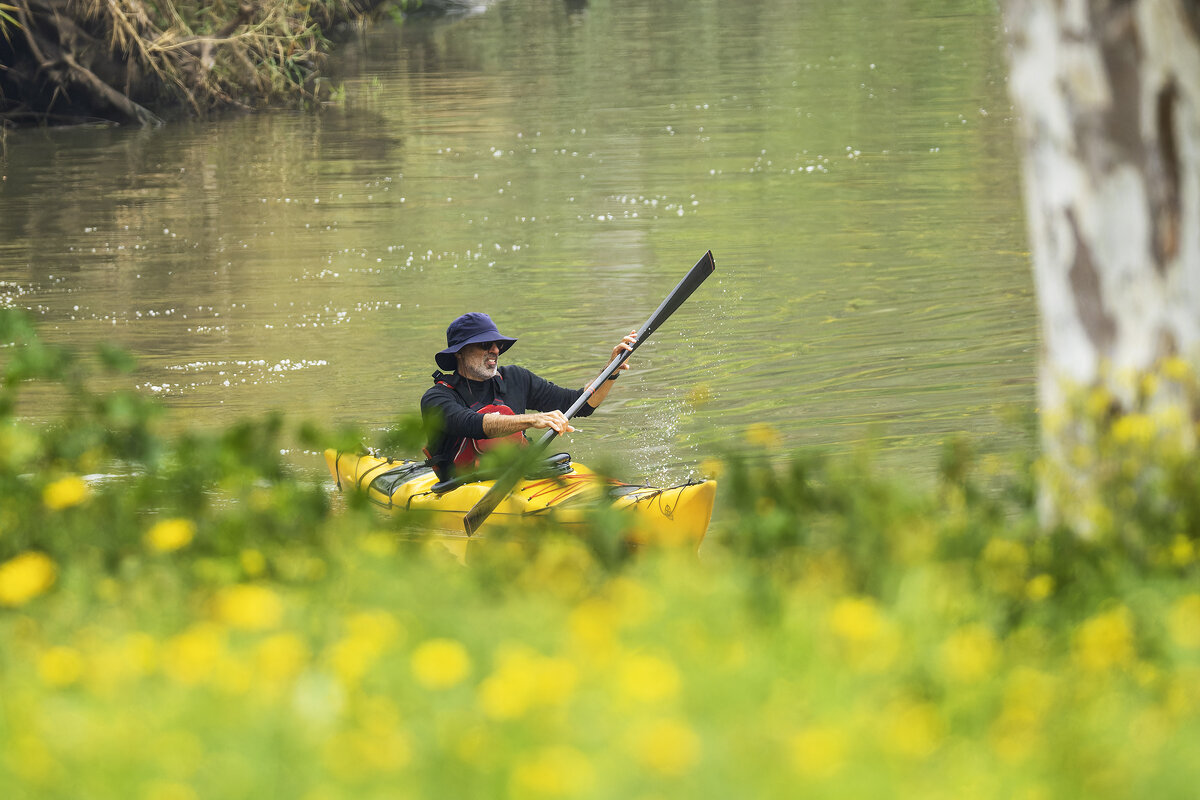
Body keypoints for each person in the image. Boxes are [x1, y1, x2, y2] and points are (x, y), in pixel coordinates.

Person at [421, 312, 636, 481]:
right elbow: (472, 424)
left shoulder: (516, 378)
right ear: (460, 352)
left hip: (522, 477)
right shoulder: (437, 398)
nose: (495, 350)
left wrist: (610, 370)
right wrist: (532, 420)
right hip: (462, 486)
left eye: (498, 345)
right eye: (486, 345)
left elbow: (581, 405)